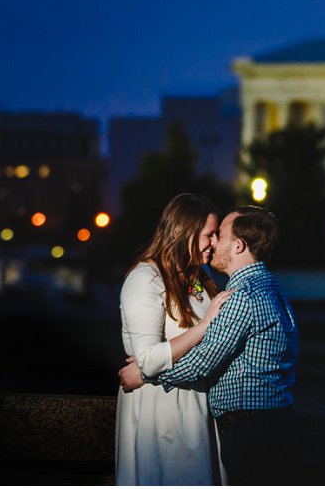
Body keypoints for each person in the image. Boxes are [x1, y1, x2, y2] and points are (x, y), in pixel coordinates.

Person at [120, 206, 299, 485]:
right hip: (229, 420)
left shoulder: (243, 295)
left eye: (219, 235)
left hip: (248, 427)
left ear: (238, 245)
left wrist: (143, 374)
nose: (214, 242)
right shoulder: (268, 286)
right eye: (210, 234)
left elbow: (204, 359)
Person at [115, 192, 233, 485]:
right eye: (209, 234)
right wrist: (204, 327)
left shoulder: (200, 279)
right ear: (183, 232)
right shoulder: (145, 279)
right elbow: (147, 359)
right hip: (162, 411)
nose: (214, 243)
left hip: (198, 406)